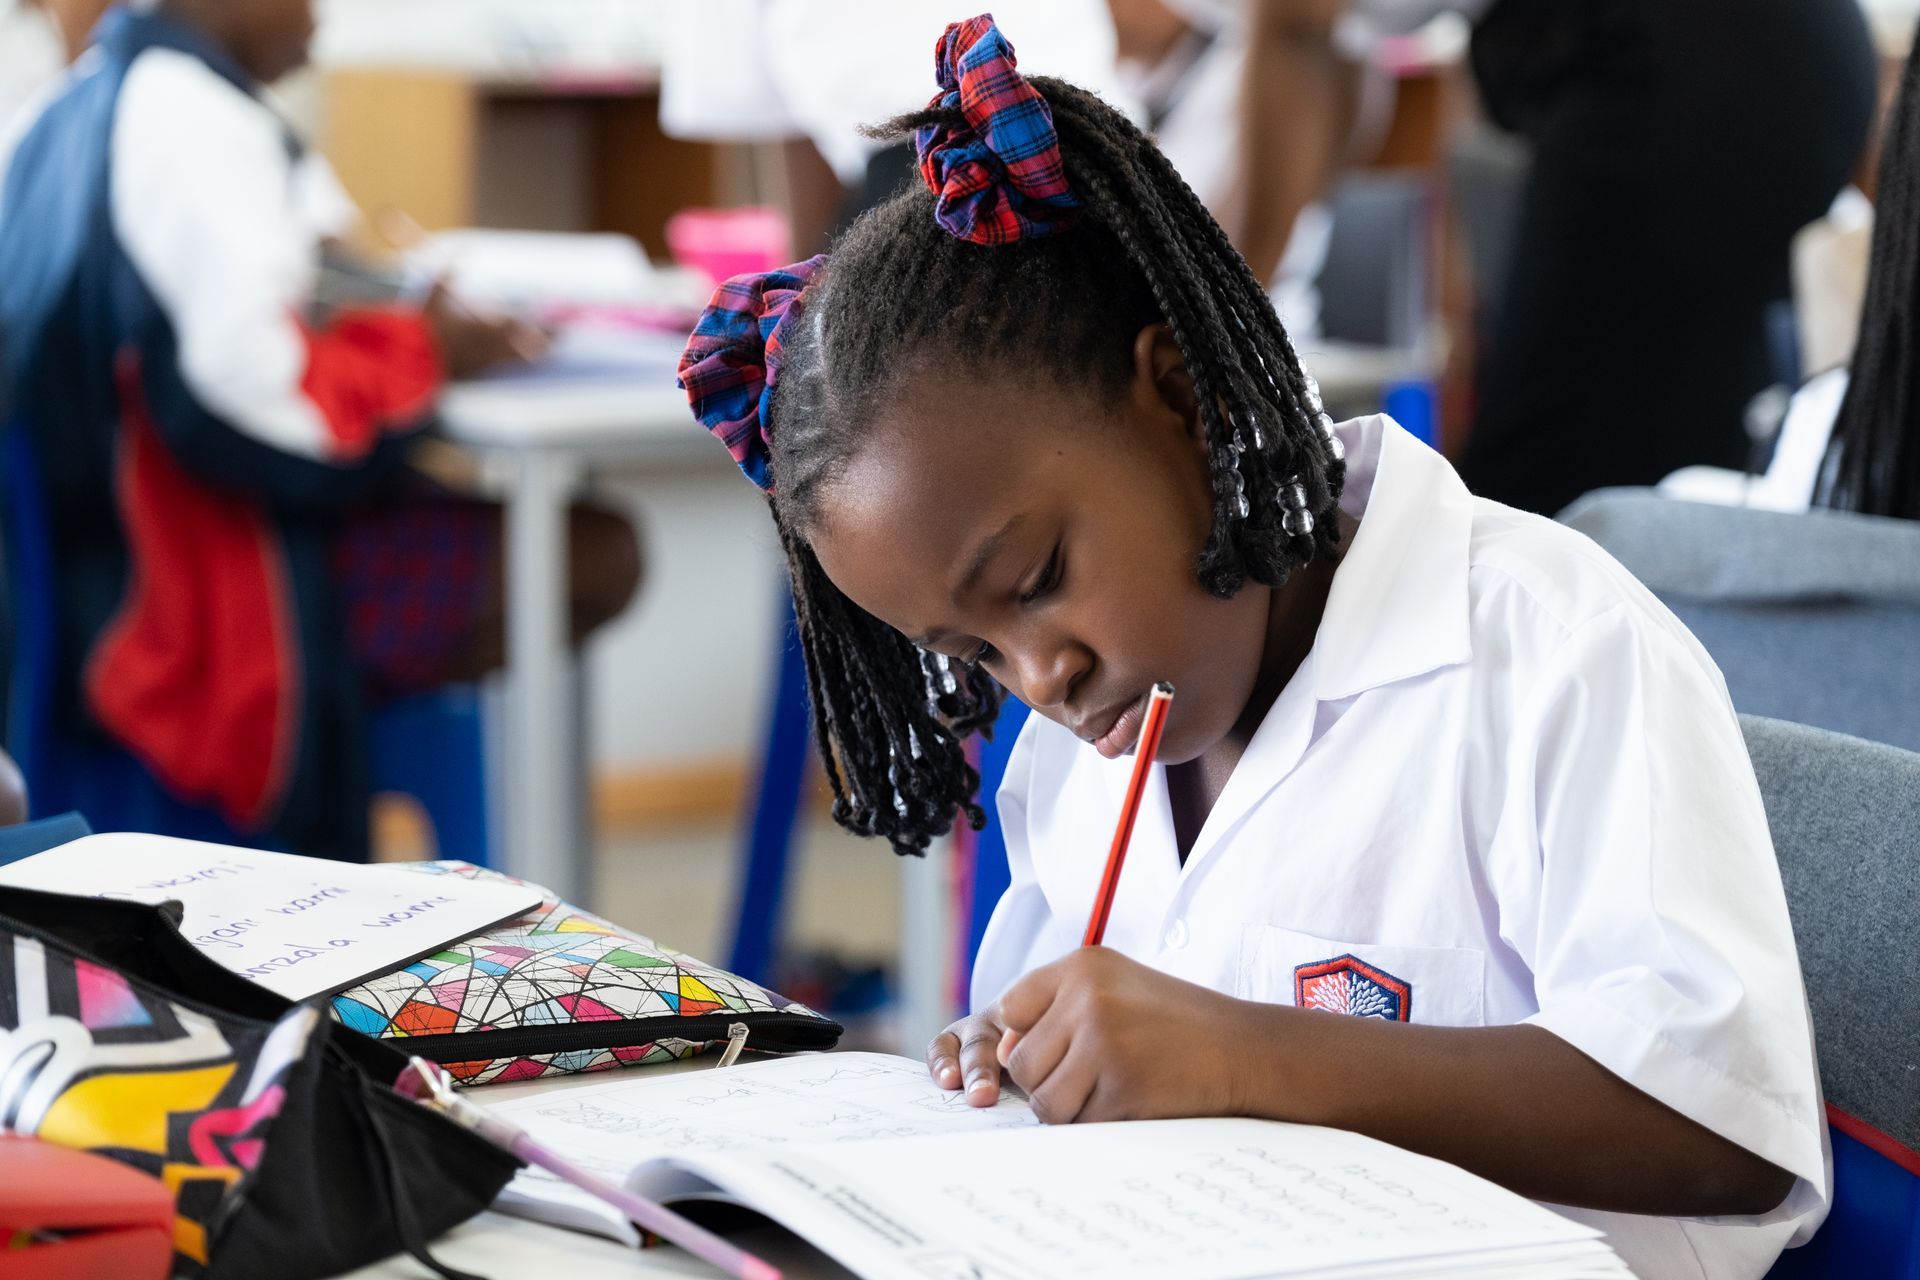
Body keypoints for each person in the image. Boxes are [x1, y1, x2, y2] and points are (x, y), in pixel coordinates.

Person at [679, 17, 1822, 1280]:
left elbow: (1724, 1131)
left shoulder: (1551, 649)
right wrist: (1016, 1059)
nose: (1040, 680)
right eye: (975, 653)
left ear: (1181, 395)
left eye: (1039, 581)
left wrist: (1241, 1049)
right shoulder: (1086, 749)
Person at [0, 0, 640, 858]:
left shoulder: (61, 109)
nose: (316, 9)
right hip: (197, 604)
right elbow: (273, 420)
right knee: (595, 553)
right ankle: (363, 846)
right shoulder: (190, 120)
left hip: (85, 586)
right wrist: (426, 349)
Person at [1230, 0, 1877, 517]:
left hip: (1700, 55)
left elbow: (1301, 31)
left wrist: (1224, 315)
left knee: (1542, 501)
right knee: (1657, 461)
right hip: (1762, 53)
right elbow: (1340, 46)